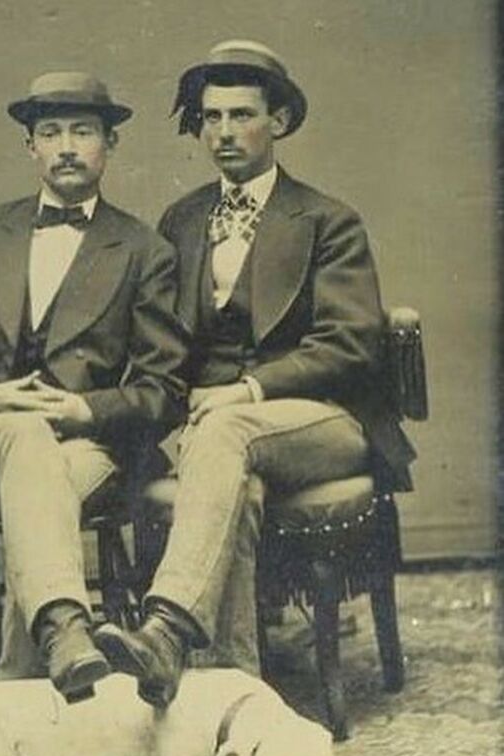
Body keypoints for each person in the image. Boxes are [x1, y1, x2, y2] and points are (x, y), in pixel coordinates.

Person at [95, 40, 416, 707]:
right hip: (218, 428)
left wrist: (246, 389)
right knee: (230, 476)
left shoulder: (328, 219)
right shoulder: (181, 221)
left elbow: (352, 343)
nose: (223, 133)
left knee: (228, 427)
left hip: (325, 419)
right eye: (210, 117)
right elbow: (162, 342)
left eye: (241, 115)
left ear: (279, 121)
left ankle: (168, 626)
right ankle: (235, 690)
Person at [0, 72, 188, 703]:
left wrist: (86, 407)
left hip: (85, 446)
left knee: (43, 486)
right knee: (26, 437)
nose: (66, 147)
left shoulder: (144, 250)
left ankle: (24, 683)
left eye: (82, 132)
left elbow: (165, 387)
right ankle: (63, 628)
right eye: (50, 133)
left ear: (110, 143)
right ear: (29, 146)